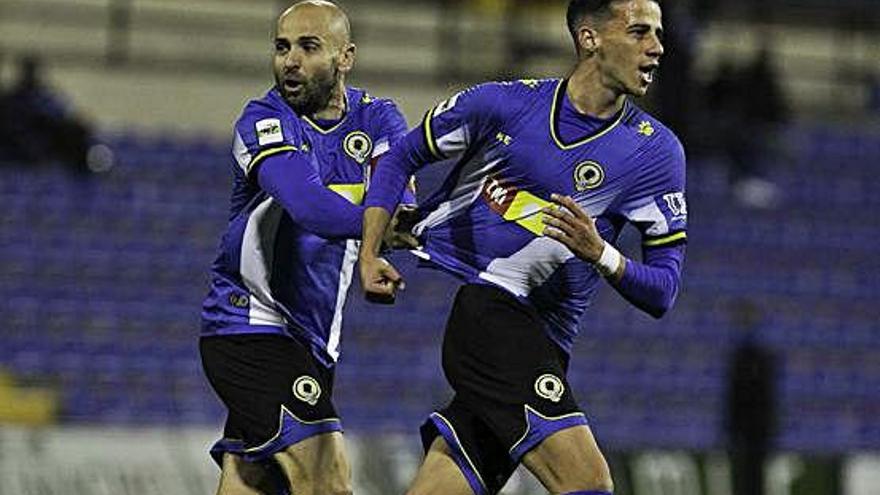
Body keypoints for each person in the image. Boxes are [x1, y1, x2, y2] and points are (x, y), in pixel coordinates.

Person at [359, 1, 687, 494]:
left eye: (658, 34)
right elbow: (401, 156)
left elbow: (663, 291)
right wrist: (369, 253)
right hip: (492, 319)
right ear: (589, 38)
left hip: (547, 345)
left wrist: (602, 253)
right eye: (639, 32)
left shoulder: (657, 153)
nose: (657, 47)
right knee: (588, 482)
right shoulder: (505, 105)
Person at [199, 2, 415, 494]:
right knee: (327, 476)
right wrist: (381, 232)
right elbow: (308, 206)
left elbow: (398, 195)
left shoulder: (379, 118)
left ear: (346, 57)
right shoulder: (262, 120)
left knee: (251, 480)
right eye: (281, 47)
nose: (290, 60)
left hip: (313, 342)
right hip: (249, 326)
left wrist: (384, 237)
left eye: (308, 46)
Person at [725, 300, 777, 495]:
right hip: (743, 431)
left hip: (757, 431)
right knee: (742, 477)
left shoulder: (762, 359)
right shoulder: (738, 358)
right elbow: (732, 397)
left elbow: (768, 397)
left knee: (756, 477)